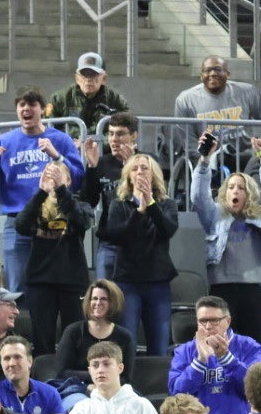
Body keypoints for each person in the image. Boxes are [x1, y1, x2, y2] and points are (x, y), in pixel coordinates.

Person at [0, 86, 85, 292]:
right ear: (17, 109)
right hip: (18, 223)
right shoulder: (4, 142)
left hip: (54, 222)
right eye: (21, 104)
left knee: (54, 289)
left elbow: (78, 179)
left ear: (43, 109)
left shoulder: (60, 140)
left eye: (32, 104)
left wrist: (57, 156)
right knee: (18, 290)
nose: (27, 109)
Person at [100, 153, 178, 355]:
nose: (140, 172)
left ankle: (157, 385)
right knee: (128, 342)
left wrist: (150, 205)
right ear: (128, 176)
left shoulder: (167, 204)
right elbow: (116, 236)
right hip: (128, 282)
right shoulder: (118, 204)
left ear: (154, 174)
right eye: (135, 168)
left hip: (158, 282)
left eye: (144, 168)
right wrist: (138, 212)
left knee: (159, 345)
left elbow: (168, 230)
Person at [15, 162, 97, 354]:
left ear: (68, 181)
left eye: (58, 176)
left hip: (72, 281)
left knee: (76, 337)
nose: (53, 179)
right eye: (48, 175)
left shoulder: (80, 204)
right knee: (42, 340)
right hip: (40, 281)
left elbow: (82, 222)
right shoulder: (35, 204)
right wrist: (41, 193)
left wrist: (61, 191)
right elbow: (20, 226)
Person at [170, 296, 261, 414]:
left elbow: (256, 391)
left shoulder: (250, 347)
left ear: (228, 321)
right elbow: (178, 395)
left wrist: (226, 359)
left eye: (214, 320)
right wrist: (200, 361)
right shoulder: (184, 351)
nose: (208, 326)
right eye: (202, 321)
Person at [172, 55, 261, 175]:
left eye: (218, 69)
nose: (213, 73)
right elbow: (189, 142)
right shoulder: (185, 100)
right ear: (201, 75)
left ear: (228, 74)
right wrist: (203, 160)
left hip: (245, 156)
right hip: (210, 159)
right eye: (208, 70)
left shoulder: (247, 91)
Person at [55, 280, 137, 385]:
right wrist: (97, 377)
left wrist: (103, 385)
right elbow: (62, 373)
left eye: (104, 299)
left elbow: (126, 378)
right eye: (94, 298)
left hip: (113, 389)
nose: (98, 303)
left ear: (114, 303)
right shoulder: (73, 331)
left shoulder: (125, 337)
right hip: (77, 387)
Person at [49, 51, 132, 126]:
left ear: (104, 79)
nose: (88, 79)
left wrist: (100, 140)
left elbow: (127, 127)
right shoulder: (59, 99)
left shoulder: (115, 99)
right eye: (84, 74)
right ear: (77, 78)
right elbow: (49, 128)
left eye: (93, 74)